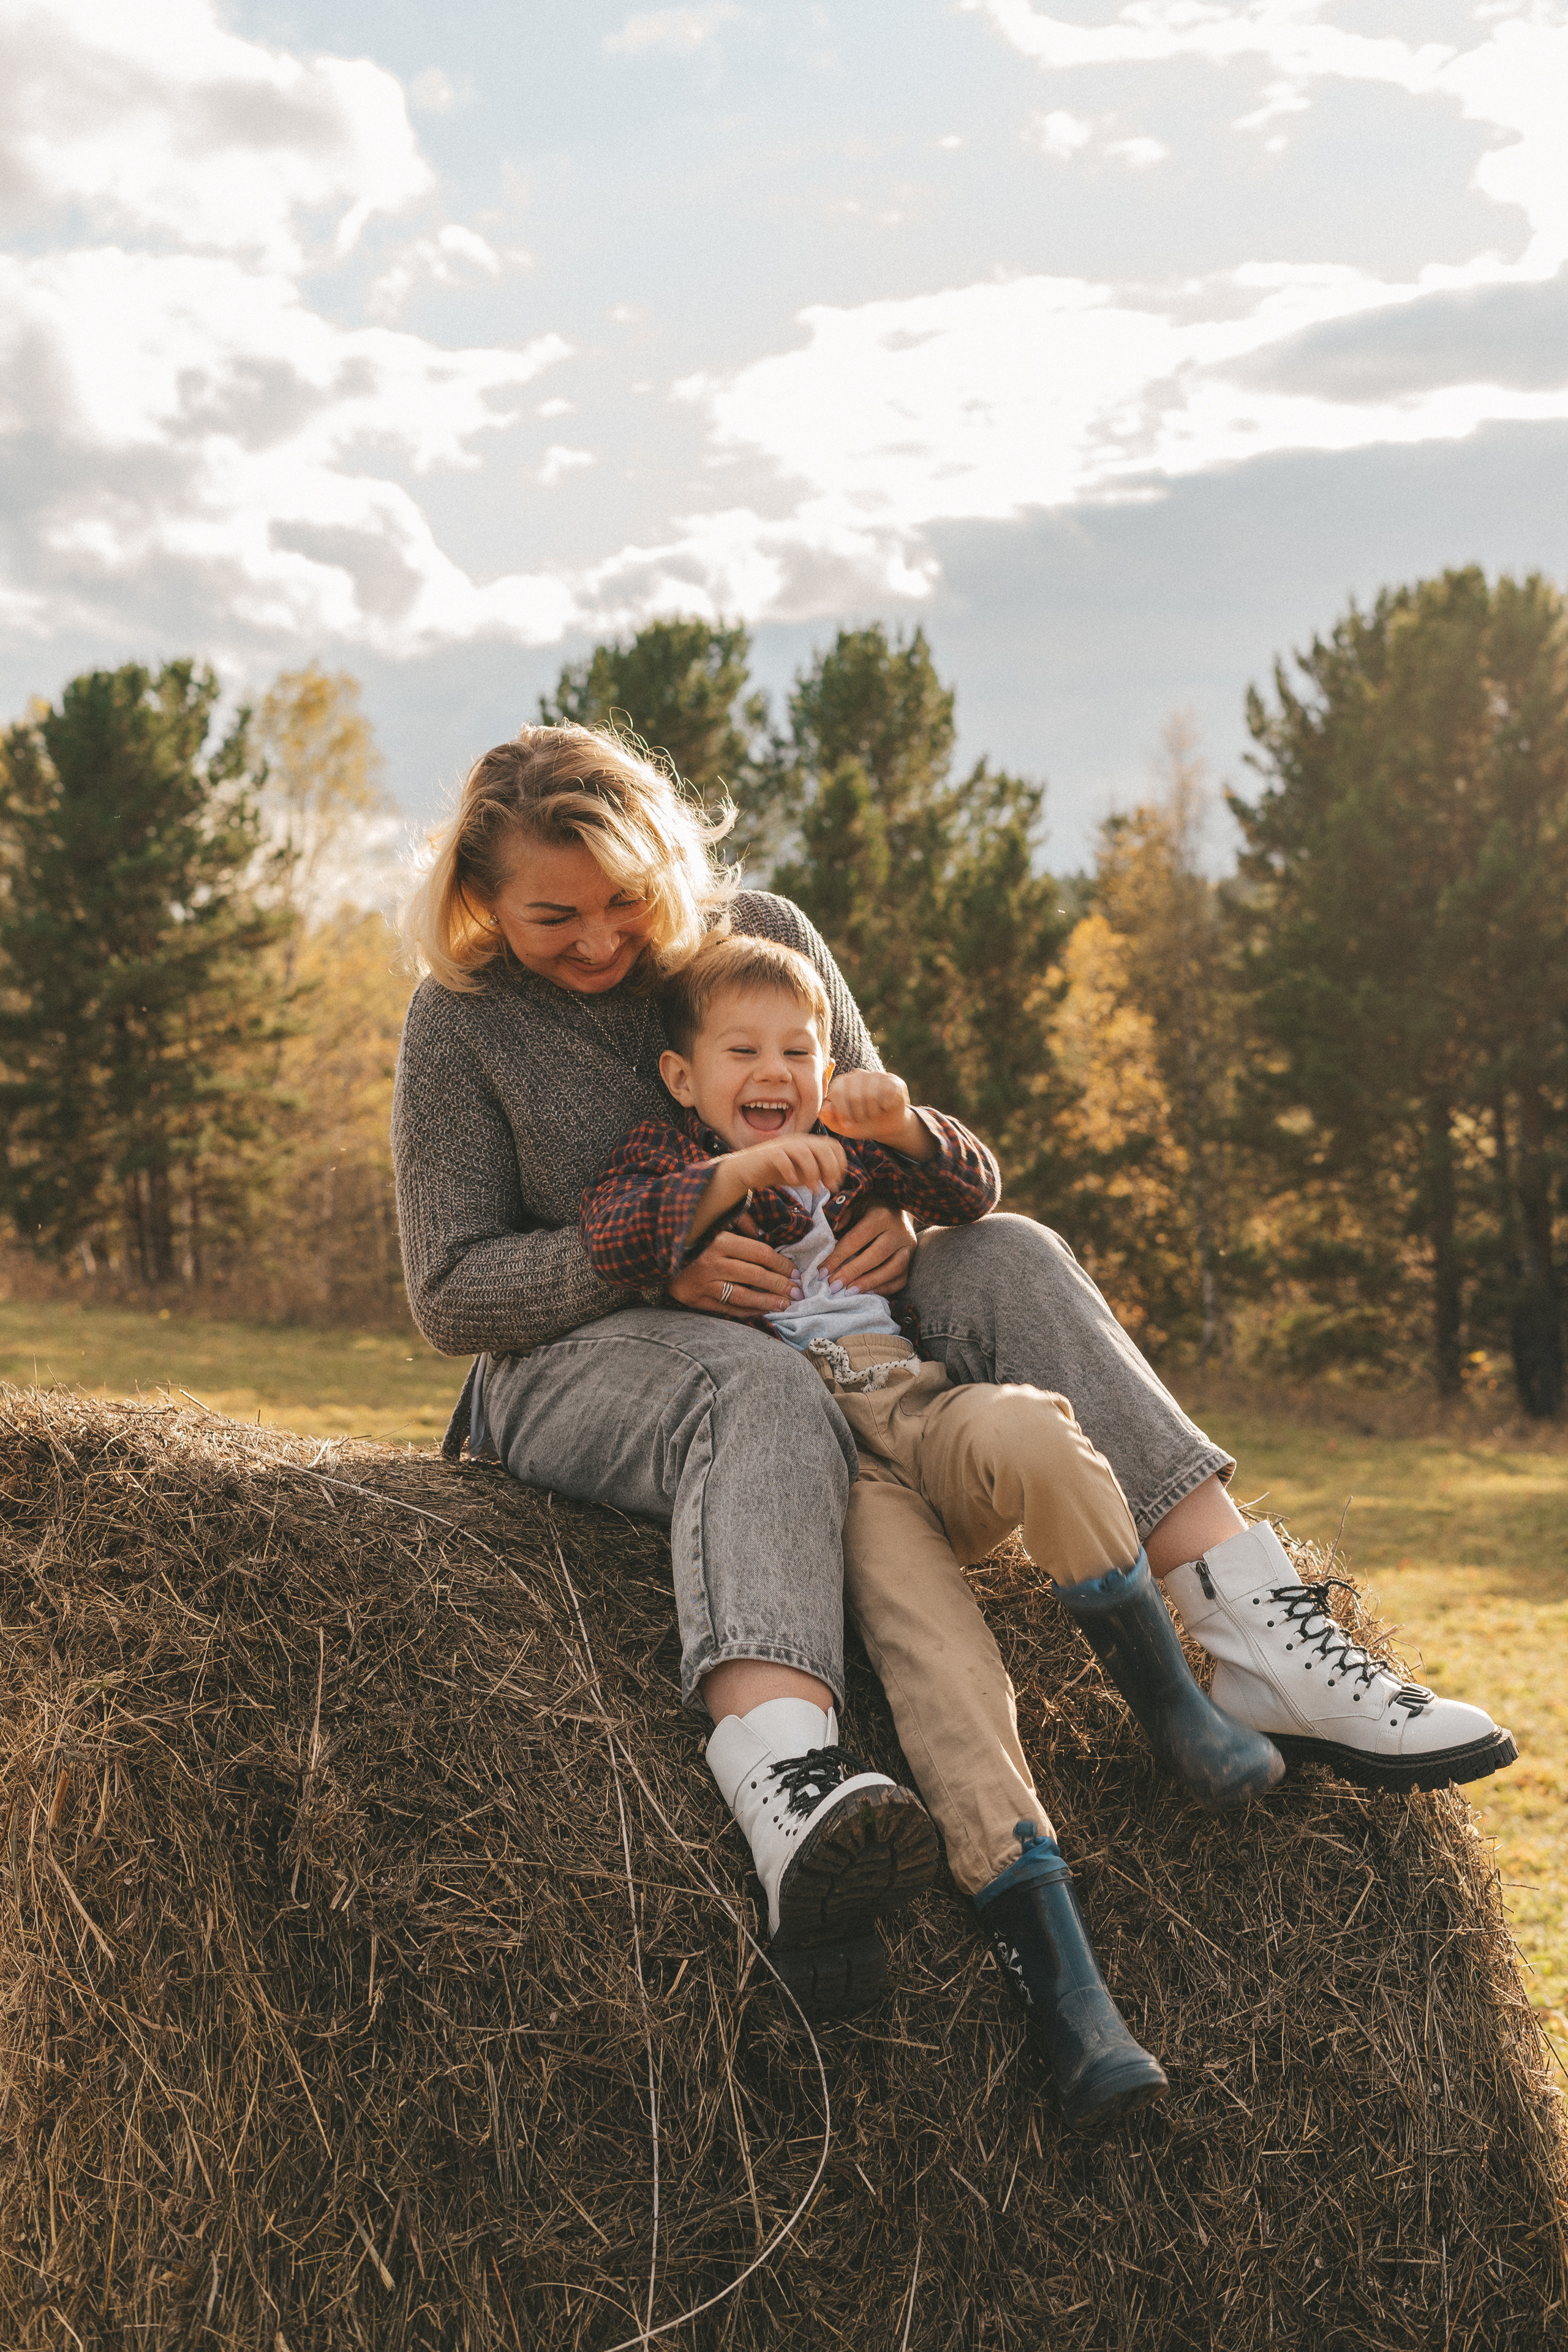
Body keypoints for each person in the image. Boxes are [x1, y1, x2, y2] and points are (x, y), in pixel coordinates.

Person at [393, 724, 1517, 2118]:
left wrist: (893, 1205)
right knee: (750, 1390)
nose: (598, 939)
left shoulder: (758, 937)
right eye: (551, 912)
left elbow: (885, 1139)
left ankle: (1249, 1624)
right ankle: (787, 1782)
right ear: (480, 897)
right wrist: (652, 1258)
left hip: (833, 1334)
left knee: (1020, 1252)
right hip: (584, 1359)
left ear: (671, 864)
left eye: (625, 901)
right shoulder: (463, 1018)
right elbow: (448, 1293)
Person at [579, 929, 1292, 2124]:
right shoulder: (668, 1161)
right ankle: (1069, 1996)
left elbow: (972, 1189)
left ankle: (1171, 1706)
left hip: (906, 1397)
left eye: (796, 1049)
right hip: (818, 1465)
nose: (774, 1070)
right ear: (681, 1080)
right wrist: (735, 1186)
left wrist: (901, 1130)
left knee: (1035, 1435)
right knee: (943, 1670)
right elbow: (614, 1229)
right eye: (741, 1050)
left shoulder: (852, 1150)